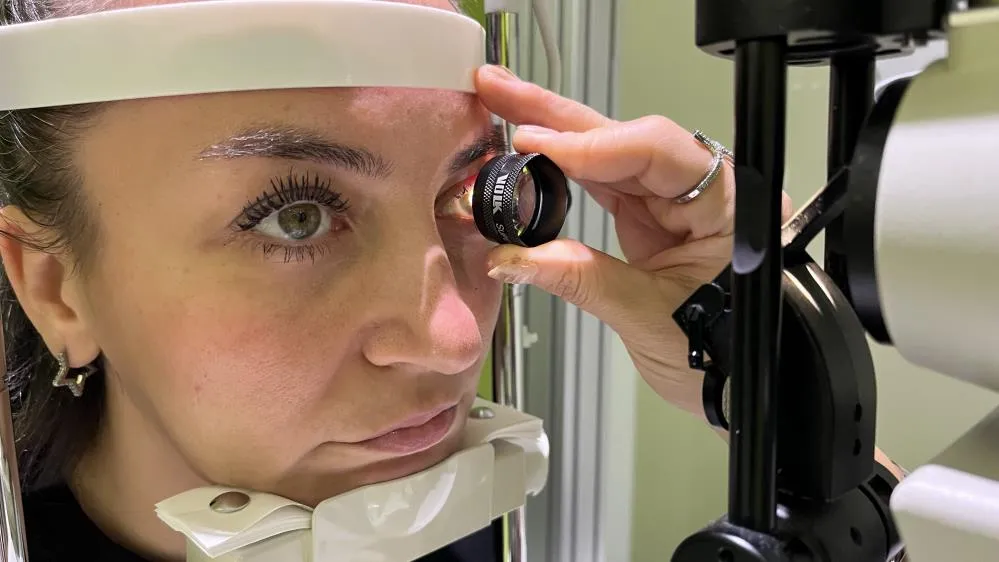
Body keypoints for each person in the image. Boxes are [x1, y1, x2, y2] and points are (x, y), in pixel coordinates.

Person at [0, 0, 905, 560]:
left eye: (472, 194)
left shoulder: (458, 519)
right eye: (295, 217)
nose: (455, 341)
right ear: (53, 288)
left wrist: (782, 404)